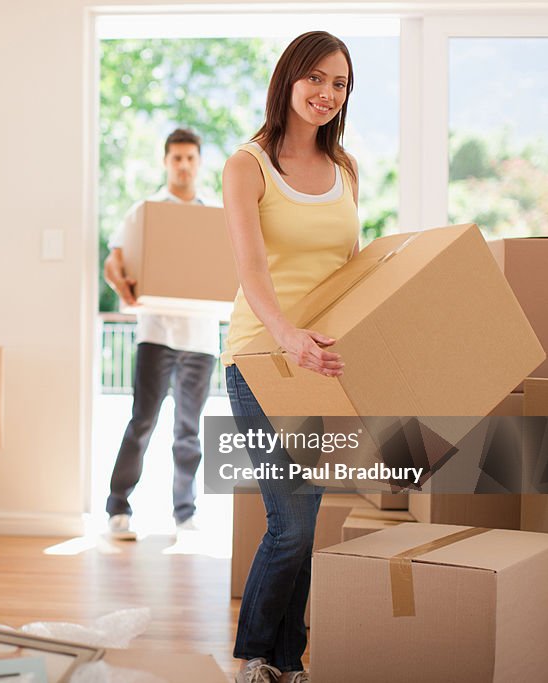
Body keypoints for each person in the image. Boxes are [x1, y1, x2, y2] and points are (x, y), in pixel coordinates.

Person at [221, 32, 360, 683]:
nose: (326, 93)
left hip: (315, 363)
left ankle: (288, 659)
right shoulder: (248, 165)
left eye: (339, 83)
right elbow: (253, 272)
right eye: (315, 78)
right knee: (290, 522)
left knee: (305, 516)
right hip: (257, 355)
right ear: (288, 80)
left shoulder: (346, 170)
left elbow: (347, 272)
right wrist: (286, 334)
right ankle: (252, 654)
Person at [103, 128, 220, 540]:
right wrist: (123, 288)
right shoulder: (146, 210)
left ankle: (184, 514)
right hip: (156, 333)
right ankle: (118, 509)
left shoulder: (216, 213)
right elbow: (113, 261)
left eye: (190, 158)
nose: (184, 165)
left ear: (199, 162)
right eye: (176, 159)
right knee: (142, 423)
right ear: (166, 162)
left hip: (202, 339)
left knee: (189, 430)